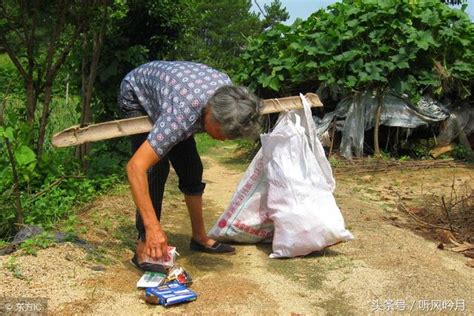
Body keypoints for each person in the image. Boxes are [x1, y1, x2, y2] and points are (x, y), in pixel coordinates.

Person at [118, 61, 262, 271]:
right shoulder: (181, 115)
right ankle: (143, 243)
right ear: (210, 115)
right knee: (155, 170)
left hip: (177, 96)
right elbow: (135, 168)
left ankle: (199, 237)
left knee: (191, 169)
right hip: (136, 92)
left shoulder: (228, 96)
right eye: (222, 134)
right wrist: (153, 228)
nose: (222, 141)